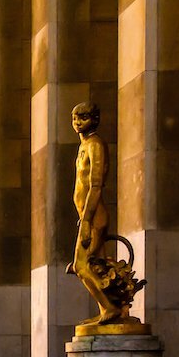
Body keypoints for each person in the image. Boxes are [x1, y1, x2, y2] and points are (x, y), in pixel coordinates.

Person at [67, 102, 120, 323]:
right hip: (86, 215)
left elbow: (96, 185)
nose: (78, 123)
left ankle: (110, 309)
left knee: (81, 266)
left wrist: (87, 221)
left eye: (83, 117)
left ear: (95, 119)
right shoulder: (84, 145)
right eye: (74, 118)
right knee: (97, 267)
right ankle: (109, 310)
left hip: (94, 215)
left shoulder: (95, 144)